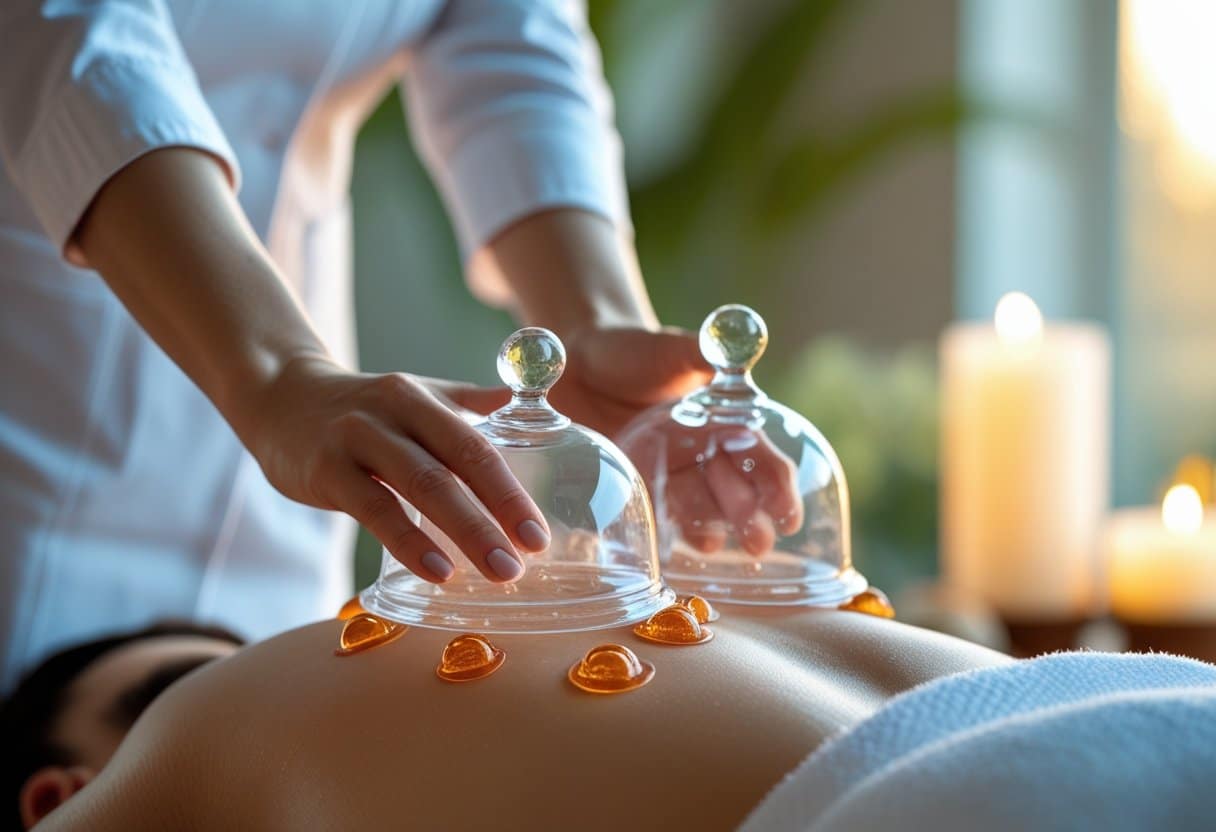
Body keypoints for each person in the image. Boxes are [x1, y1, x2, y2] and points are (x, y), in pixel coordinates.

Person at [0, 0, 714, 692]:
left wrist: (589, 322)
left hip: (294, 499)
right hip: (41, 430)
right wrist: (276, 372)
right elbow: (65, 29)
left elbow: (515, 45)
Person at [8, 610, 1215, 831]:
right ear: (56, 792)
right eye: (158, 687)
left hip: (1120, 716)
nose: (239, 668)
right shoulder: (189, 757)